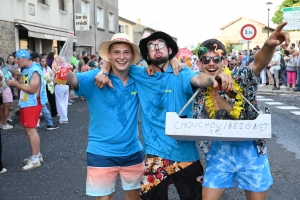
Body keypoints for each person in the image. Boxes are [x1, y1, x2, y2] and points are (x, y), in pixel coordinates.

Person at [95, 31, 232, 200]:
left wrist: (214, 79)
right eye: (151, 47)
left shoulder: (182, 73)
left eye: (160, 44)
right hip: (155, 156)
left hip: (185, 155)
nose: (156, 49)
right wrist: (103, 70)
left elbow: (198, 80)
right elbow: (117, 62)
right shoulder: (140, 74)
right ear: (147, 54)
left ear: (169, 49)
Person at [192, 22, 289, 200]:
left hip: (251, 153)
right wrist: (211, 83)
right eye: (206, 59)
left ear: (225, 61)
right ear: (199, 63)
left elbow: (258, 63)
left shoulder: (240, 77)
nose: (211, 63)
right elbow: (192, 78)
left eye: (217, 59)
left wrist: (268, 45)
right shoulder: (197, 86)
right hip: (219, 154)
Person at [53, 33, 145, 200]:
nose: (122, 57)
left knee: (135, 196)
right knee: (103, 198)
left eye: (126, 52)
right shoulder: (94, 77)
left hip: (132, 150)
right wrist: (61, 70)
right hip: (101, 152)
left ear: (132, 56)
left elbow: (163, 70)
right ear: (109, 55)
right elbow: (71, 79)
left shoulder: (139, 77)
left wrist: (174, 61)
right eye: (116, 52)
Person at [6, 49, 48, 171]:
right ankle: (37, 155)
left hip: (32, 104)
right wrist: (19, 78)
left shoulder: (34, 69)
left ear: (24, 58)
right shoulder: (27, 70)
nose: (16, 62)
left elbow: (32, 89)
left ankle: (35, 159)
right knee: (29, 130)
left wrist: (15, 84)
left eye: (17, 60)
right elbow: (25, 85)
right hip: (26, 103)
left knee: (31, 131)